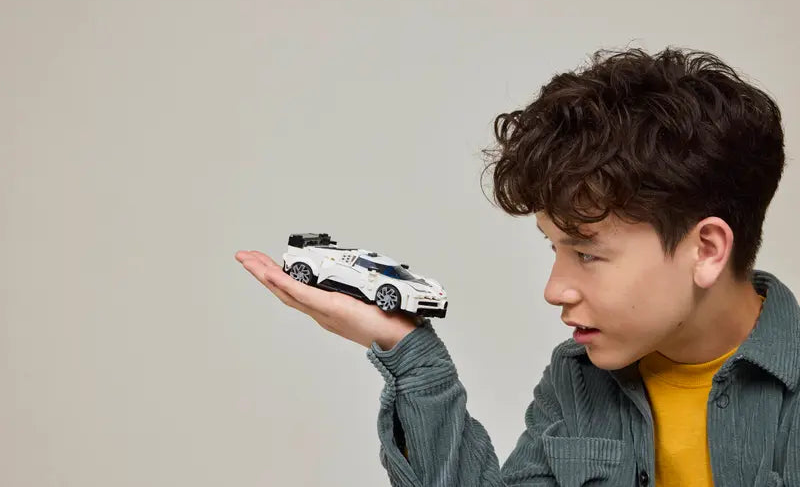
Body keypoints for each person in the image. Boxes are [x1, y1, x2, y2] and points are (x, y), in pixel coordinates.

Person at [235, 47, 798, 486]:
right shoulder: (577, 381)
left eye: (587, 253)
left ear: (706, 249)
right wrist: (405, 349)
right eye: (553, 249)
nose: (554, 290)